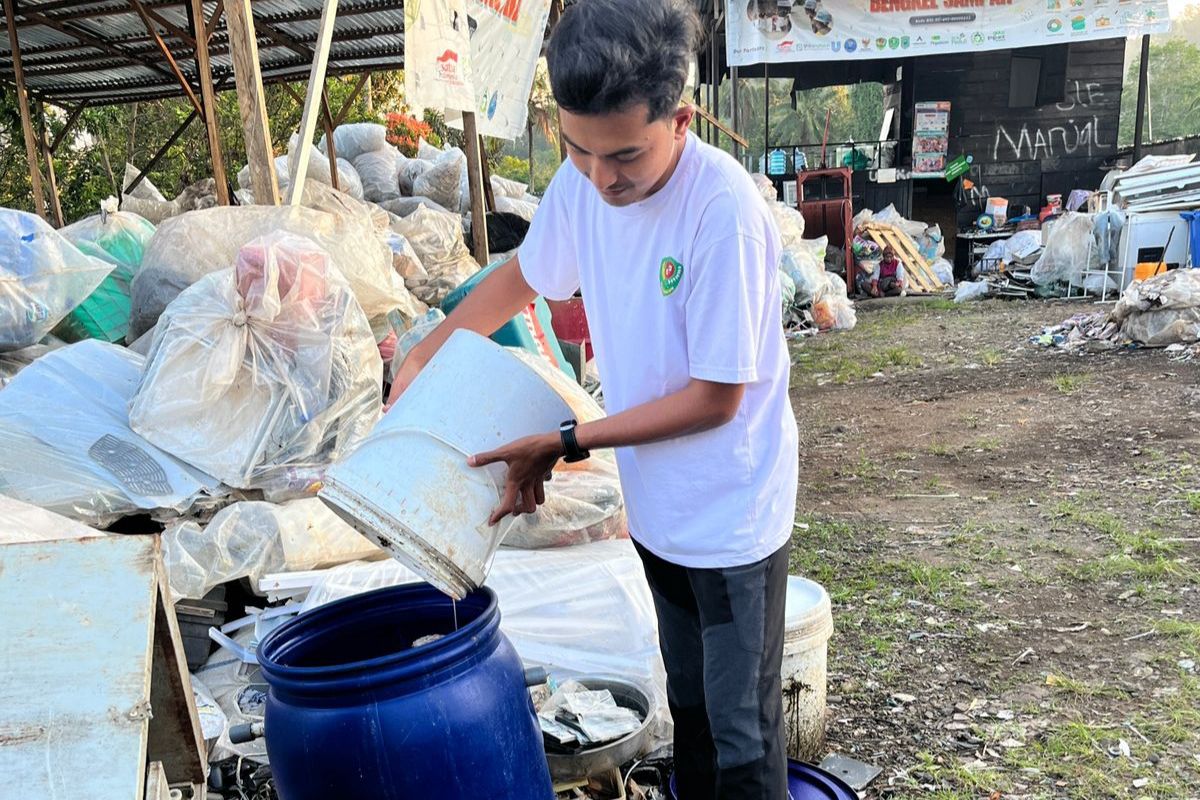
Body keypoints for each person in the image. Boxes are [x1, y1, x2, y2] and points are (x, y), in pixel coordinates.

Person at [387, 1, 798, 797]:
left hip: (732, 514)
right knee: (691, 709)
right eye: (578, 150)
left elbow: (716, 400)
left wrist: (567, 441)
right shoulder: (584, 185)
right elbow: (522, 276)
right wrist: (430, 349)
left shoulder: (724, 214)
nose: (603, 177)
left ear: (680, 121)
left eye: (626, 155)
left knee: (744, 736)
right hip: (657, 505)